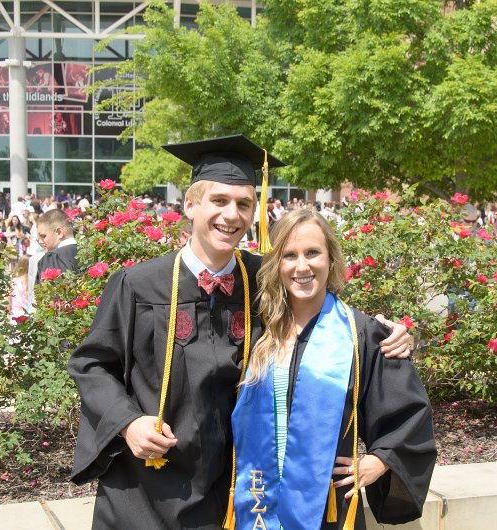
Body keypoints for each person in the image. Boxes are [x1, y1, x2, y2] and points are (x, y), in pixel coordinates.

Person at [67, 135, 412, 529]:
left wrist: (389, 334)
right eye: (219, 200)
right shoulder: (139, 285)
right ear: (190, 205)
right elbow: (92, 365)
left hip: (237, 489)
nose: (231, 215)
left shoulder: (264, 280)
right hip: (148, 489)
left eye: (244, 204)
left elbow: (326, 319)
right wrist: (129, 423)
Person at [231, 209, 436, 529]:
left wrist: (380, 460)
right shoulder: (256, 328)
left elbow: (409, 414)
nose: (302, 266)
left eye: (313, 253)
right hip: (258, 500)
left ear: (330, 259)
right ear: (277, 264)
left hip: (327, 506)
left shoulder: (360, 334)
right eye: (289, 255)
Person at [35, 208, 79, 282]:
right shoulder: (92, 252)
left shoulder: (52, 258)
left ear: (59, 232)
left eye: (43, 236)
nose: (40, 241)